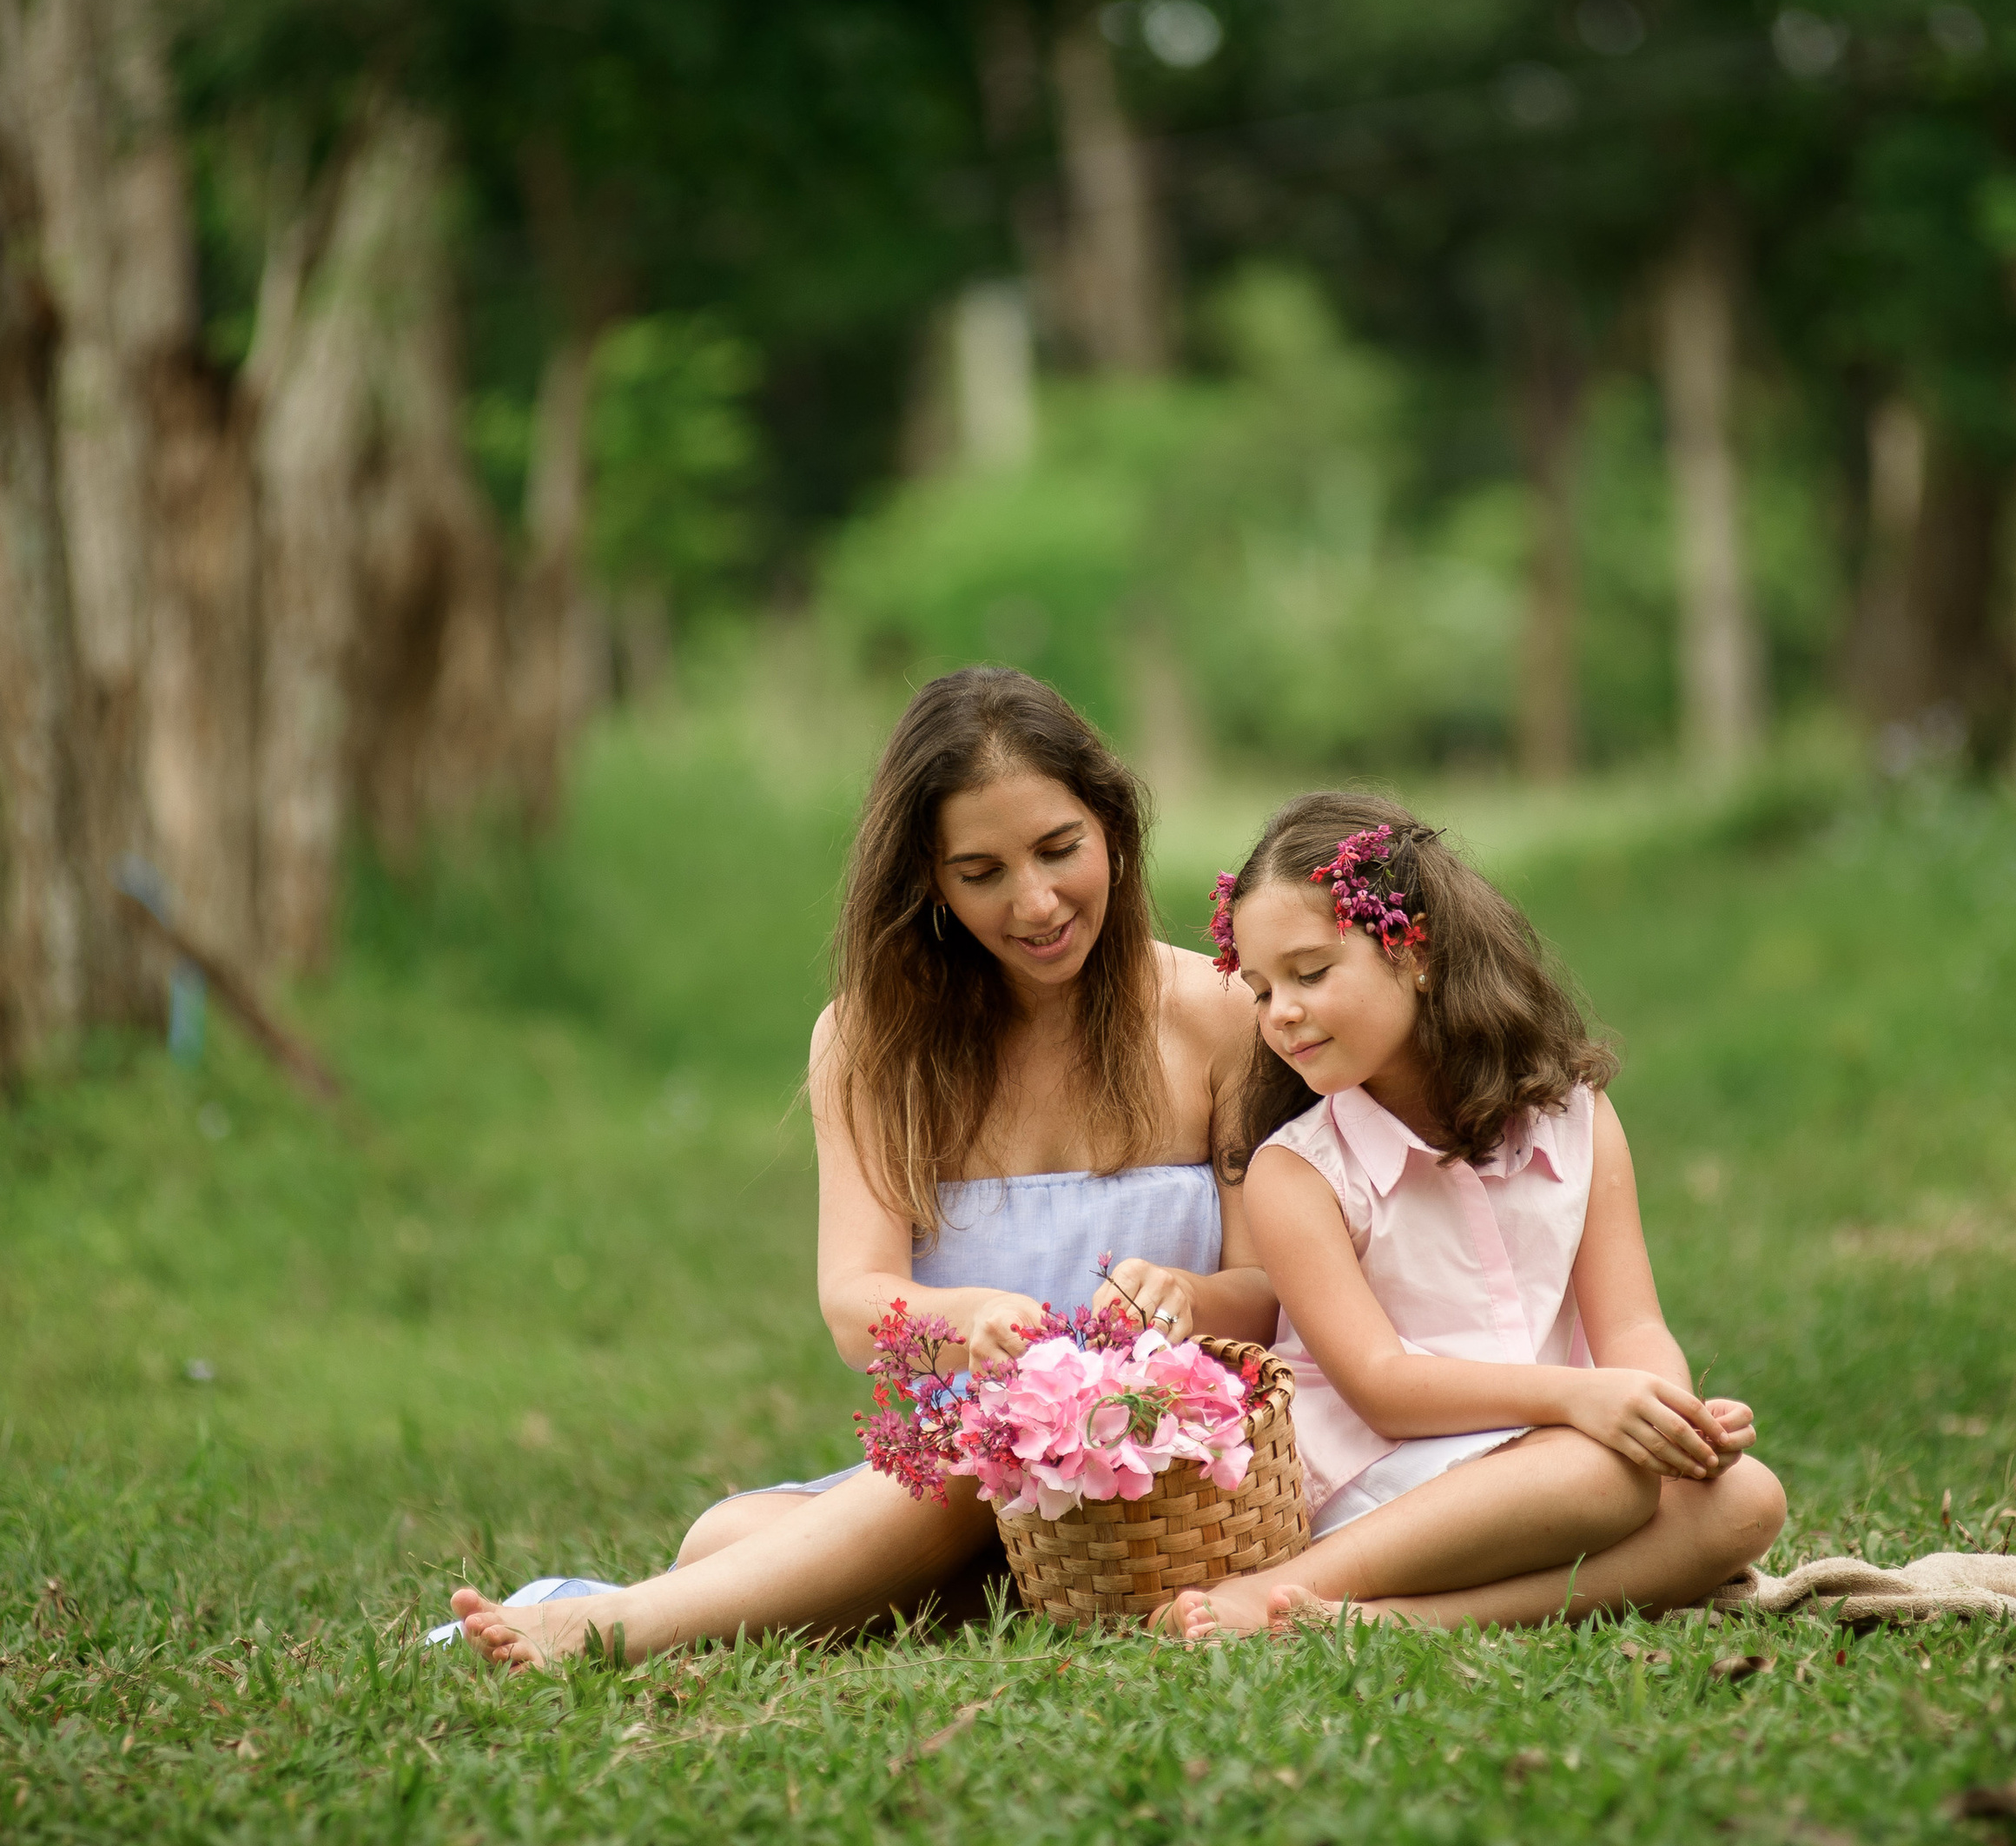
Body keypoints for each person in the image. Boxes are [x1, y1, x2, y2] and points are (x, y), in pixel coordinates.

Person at [446, 667, 1272, 1667]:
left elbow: (1271, 1294)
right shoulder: (872, 1043)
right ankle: (945, 1578)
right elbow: (855, 1305)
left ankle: (615, 1624)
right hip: (969, 1478)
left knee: (981, 1448)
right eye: (981, 872)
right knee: (736, 1529)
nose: (1038, 901)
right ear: (927, 878)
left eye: (1060, 849)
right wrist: (966, 1320)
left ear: (1113, 826)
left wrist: (1185, 1295)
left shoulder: (1221, 1014)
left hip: (1175, 1483)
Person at [1162, 791, 1785, 1640]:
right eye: (1262, 988)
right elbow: (1382, 1387)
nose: (1281, 1013)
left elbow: (1632, 1322)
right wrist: (1586, 1402)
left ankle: (1395, 1622)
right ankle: (1285, 1587)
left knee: (1745, 1498)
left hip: (1555, 1450)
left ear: (1414, 952)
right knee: (1601, 1478)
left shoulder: (1577, 1116)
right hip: (1389, 1484)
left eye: (1309, 973)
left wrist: (1663, 1412)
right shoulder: (1296, 1171)